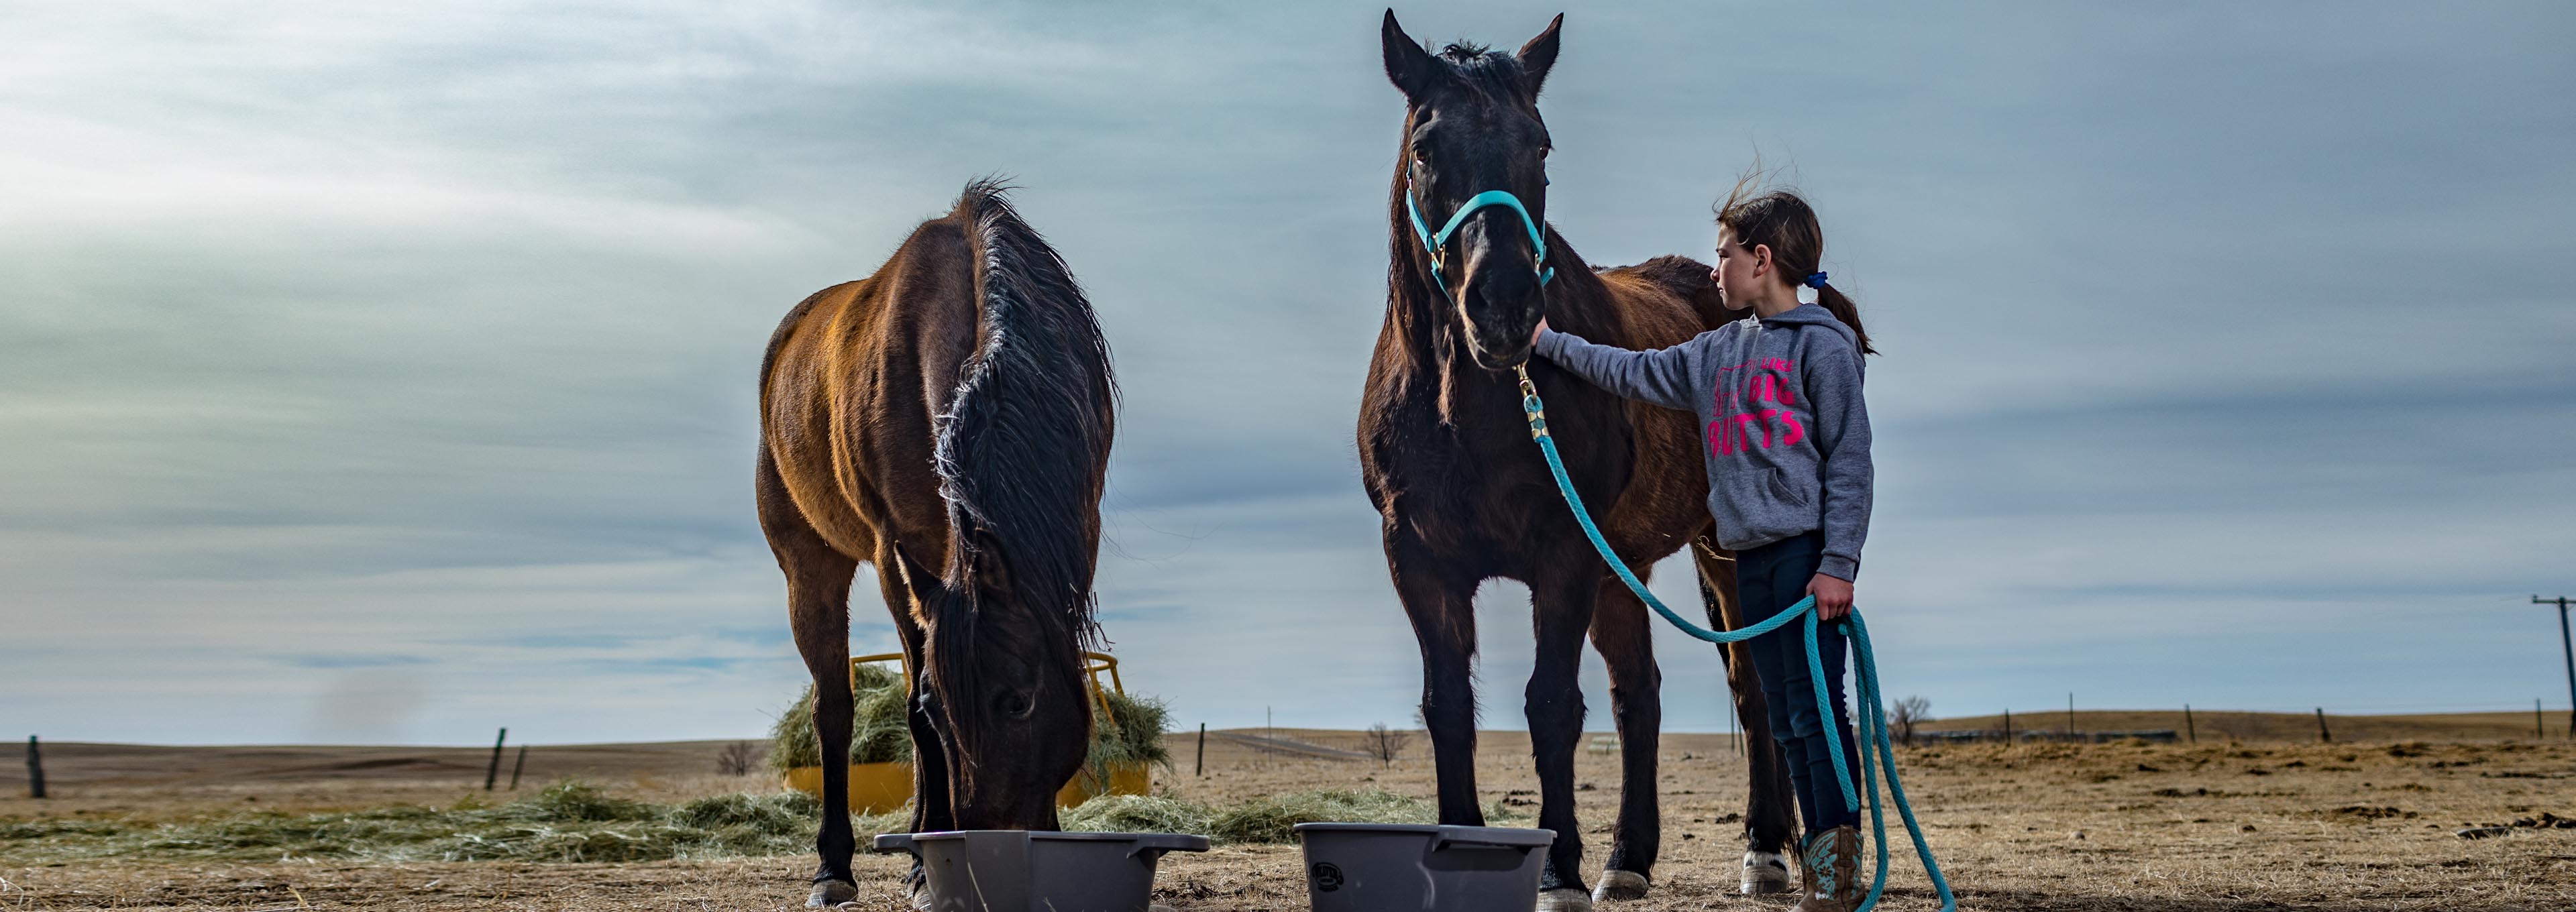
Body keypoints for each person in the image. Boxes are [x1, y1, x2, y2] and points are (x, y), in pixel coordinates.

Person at [1532, 186, 1876, 912]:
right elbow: (1630, 371)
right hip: (1751, 558)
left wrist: (1838, 562)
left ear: (1763, 260)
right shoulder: (1717, 351)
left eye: (1724, 255)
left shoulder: (1824, 348)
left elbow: (1850, 460)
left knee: (1818, 711)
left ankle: (1836, 863)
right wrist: (1547, 344)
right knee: (1783, 713)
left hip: (1805, 556)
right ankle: (1818, 860)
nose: (1714, 269)